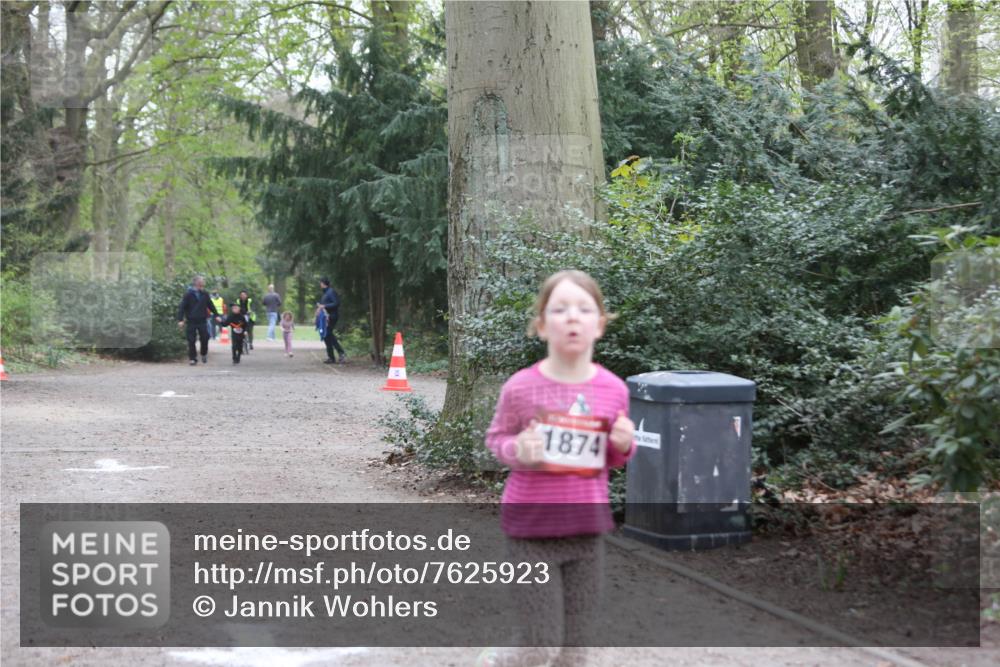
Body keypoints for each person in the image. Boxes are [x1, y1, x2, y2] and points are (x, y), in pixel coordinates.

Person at [482, 270, 636, 667]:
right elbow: (496, 439)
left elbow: (609, 457)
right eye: (560, 309)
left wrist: (623, 445)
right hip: (530, 533)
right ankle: (499, 661)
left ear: (599, 325)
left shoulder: (614, 390)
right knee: (540, 644)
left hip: (587, 534)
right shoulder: (520, 387)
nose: (572, 317)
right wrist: (519, 449)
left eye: (584, 309)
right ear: (541, 324)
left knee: (575, 651)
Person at [176, 275, 221, 366]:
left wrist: (216, 315)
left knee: (205, 338)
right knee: (191, 340)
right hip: (191, 321)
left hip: (202, 320)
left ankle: (203, 353)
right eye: (202, 281)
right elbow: (182, 307)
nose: (204, 282)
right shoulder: (188, 294)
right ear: (197, 283)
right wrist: (180, 319)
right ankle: (193, 358)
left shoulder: (205, 294)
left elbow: (210, 305)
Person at [317, 277, 346, 364]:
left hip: (332, 316)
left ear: (323, 283)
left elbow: (336, 303)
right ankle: (331, 357)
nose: (320, 284)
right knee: (326, 336)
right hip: (325, 317)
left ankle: (341, 352)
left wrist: (324, 306)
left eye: (320, 283)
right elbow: (324, 305)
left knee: (328, 333)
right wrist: (320, 308)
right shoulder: (325, 293)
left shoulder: (331, 291)